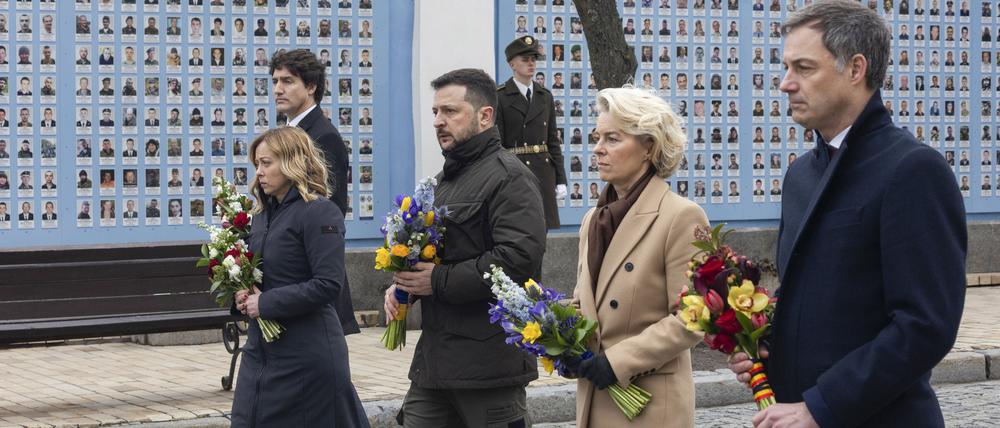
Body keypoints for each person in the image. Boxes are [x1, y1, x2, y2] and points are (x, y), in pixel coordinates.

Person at [728, 3, 967, 427]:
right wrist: (764, 344)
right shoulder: (800, 174)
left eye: (804, 68)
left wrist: (821, 407)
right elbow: (816, 299)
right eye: (786, 67)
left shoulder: (913, 169)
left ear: (856, 69)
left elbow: (925, 325)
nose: (785, 83)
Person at [384, 68, 545, 428]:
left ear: (485, 116)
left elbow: (518, 259)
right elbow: (437, 255)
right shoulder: (442, 181)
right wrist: (404, 287)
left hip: (488, 367)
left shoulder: (510, 177)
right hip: (436, 364)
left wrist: (437, 281)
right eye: (435, 112)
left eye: (450, 111)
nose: (438, 122)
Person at [561, 88, 707, 427]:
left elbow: (693, 316)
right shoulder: (592, 220)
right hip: (595, 398)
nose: (598, 148)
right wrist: (558, 333)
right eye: (598, 137)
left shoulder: (681, 216)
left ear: (649, 148)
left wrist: (618, 362)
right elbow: (589, 304)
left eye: (612, 138)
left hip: (649, 405)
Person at [230, 126, 369, 427]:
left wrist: (265, 303)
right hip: (260, 353)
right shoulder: (261, 215)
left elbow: (328, 284)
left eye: (266, 163)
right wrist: (243, 295)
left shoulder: (319, 212)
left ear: (291, 162)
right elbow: (262, 275)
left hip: (306, 355)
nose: (259, 172)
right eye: (257, 164)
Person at [270, 49, 358, 335]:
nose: (278, 89)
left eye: (288, 81)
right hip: (285, 271)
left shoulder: (323, 136)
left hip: (308, 272)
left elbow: (330, 208)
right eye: (275, 81)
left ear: (311, 86)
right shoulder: (287, 132)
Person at [496, 36, 568, 229]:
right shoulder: (500, 96)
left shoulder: (544, 96)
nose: (531, 64)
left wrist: (560, 179)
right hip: (515, 173)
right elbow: (497, 144)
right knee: (518, 229)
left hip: (543, 173)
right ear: (512, 64)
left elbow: (553, 141)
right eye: (525, 59)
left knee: (541, 231)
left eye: (533, 59)